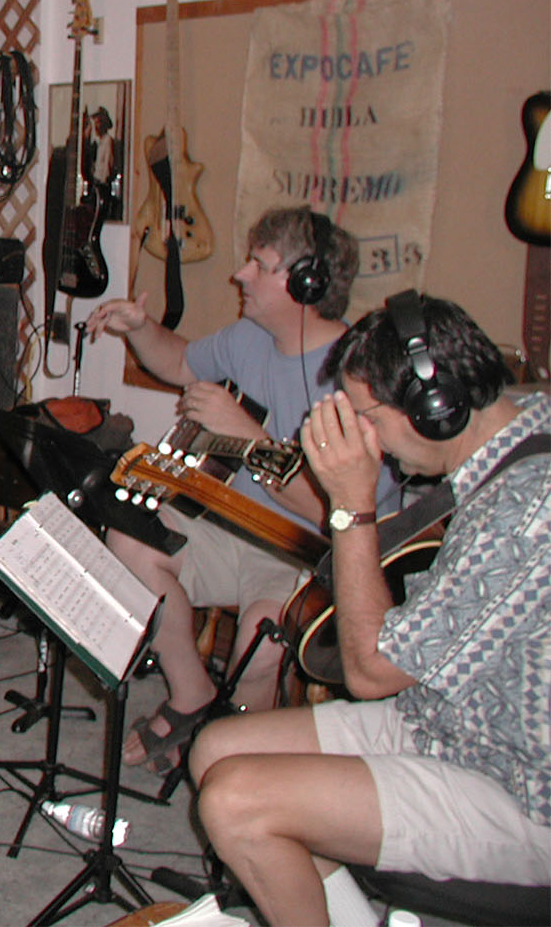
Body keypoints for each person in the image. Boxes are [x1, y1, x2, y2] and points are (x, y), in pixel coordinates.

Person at [188, 293, 550, 926]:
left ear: (437, 409)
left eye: (367, 418)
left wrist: (352, 505)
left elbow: (370, 672)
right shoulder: (520, 425)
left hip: (519, 793)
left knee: (236, 802)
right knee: (214, 749)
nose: (361, 437)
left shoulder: (526, 512)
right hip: (445, 722)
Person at [86, 205, 393, 773]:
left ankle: (244, 753)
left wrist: (249, 437)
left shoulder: (357, 375)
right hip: (228, 523)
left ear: (306, 283)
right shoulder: (251, 337)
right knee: (129, 541)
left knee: (262, 635)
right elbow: (179, 360)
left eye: (261, 264)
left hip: (307, 552)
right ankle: (191, 697)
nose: (241, 274)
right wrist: (139, 330)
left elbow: (335, 513)